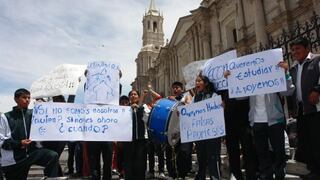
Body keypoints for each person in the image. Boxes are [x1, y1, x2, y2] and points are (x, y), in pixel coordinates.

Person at [225, 61, 294, 180]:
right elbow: (238, 95)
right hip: (257, 122)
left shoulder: (274, 79)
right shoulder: (251, 82)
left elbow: (288, 91)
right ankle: (266, 176)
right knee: (262, 153)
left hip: (275, 120)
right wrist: (230, 80)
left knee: (279, 151)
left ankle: (279, 175)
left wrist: (286, 73)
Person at [0, 88, 59, 179]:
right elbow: (2, 141)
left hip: (32, 153)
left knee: (52, 156)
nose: (27, 100)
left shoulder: (34, 113)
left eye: (29, 97)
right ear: (16, 99)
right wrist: (20, 143)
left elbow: (51, 116)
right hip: (14, 159)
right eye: (24, 97)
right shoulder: (6, 117)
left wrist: (43, 105)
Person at [288, 37, 320, 179]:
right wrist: (291, 107)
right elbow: (291, 89)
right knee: (307, 141)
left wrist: (317, 89)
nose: (295, 52)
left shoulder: (316, 60)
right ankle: (312, 169)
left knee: (317, 139)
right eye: (293, 50)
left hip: (316, 109)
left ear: (307, 48)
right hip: (302, 110)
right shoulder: (294, 68)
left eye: (298, 49)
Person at [219, 90, 258, 180]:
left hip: (244, 119)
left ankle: (251, 175)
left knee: (248, 150)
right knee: (232, 151)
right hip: (229, 121)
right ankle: (236, 175)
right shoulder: (222, 85)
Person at [193, 73, 222, 180]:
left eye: (199, 81)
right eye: (196, 81)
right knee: (201, 158)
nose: (197, 83)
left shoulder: (214, 96)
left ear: (205, 83)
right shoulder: (195, 98)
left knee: (213, 158)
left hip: (212, 135)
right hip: (200, 135)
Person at [165, 81, 193, 179]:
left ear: (182, 89)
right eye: (174, 88)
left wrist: (179, 102)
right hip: (173, 131)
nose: (175, 89)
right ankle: (172, 174)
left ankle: (183, 173)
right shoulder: (169, 100)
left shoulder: (187, 96)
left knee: (184, 153)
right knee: (171, 153)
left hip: (185, 130)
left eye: (177, 88)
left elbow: (189, 106)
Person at [123, 90, 147, 180]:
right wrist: (129, 109)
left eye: (135, 94)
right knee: (129, 162)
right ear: (129, 97)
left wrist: (139, 108)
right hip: (128, 139)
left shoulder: (144, 107)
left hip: (141, 139)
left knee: (140, 162)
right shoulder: (124, 109)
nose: (133, 96)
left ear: (138, 96)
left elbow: (147, 119)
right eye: (131, 95)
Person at [41, 95, 67, 176]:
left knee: (55, 156)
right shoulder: (50, 108)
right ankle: (55, 174)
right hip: (49, 138)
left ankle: (52, 174)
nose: (54, 100)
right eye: (53, 99)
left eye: (56, 99)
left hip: (60, 138)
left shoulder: (66, 108)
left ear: (61, 100)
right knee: (53, 157)